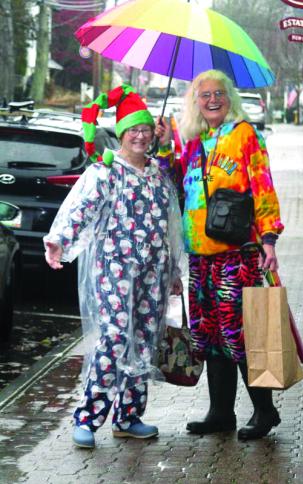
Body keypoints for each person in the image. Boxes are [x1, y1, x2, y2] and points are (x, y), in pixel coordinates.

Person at [44, 84, 183, 449]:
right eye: (132, 129)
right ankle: (88, 417)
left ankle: (128, 417)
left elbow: (171, 226)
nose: (139, 135)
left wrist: (174, 274)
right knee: (115, 338)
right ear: (121, 133)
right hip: (115, 272)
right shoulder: (106, 172)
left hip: (153, 274)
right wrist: (60, 241)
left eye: (145, 129)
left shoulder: (157, 174)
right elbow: (81, 209)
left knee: (144, 340)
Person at [155, 69, 284, 440]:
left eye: (219, 93)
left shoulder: (245, 134)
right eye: (204, 94)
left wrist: (270, 238)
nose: (212, 100)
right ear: (195, 101)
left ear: (230, 98)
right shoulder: (195, 141)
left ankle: (264, 411)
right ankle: (220, 412)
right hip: (199, 254)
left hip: (236, 253)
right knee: (207, 334)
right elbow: (173, 183)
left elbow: (263, 185)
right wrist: (165, 144)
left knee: (239, 333)